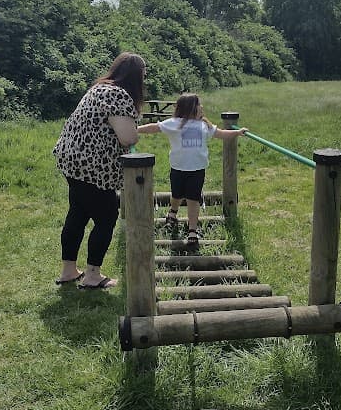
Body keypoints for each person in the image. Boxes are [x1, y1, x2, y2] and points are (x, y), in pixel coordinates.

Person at [53, 52, 145, 288]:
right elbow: (128, 137)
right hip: (93, 166)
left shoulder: (98, 88)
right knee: (106, 215)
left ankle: (69, 270)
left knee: (78, 212)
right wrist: (135, 129)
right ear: (136, 77)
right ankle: (93, 275)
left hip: (71, 160)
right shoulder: (118, 95)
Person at [137, 93, 247, 244]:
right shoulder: (174, 123)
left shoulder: (204, 125)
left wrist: (237, 132)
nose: (201, 107)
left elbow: (221, 133)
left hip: (197, 170)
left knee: (193, 199)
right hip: (178, 168)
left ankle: (192, 231)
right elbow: (154, 127)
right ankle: (172, 213)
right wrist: (136, 129)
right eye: (198, 104)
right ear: (190, 108)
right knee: (177, 195)